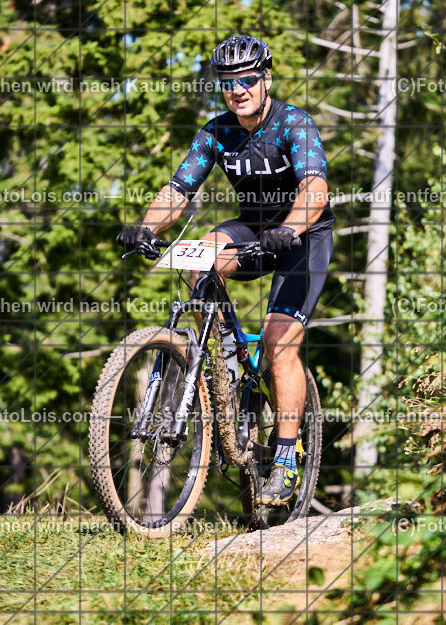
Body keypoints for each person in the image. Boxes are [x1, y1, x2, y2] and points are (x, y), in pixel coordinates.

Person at [117, 35, 334, 506]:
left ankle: (284, 456)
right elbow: (178, 188)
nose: (239, 89)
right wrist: (146, 226)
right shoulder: (216, 131)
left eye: (248, 79)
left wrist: (291, 228)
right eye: (228, 83)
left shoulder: (294, 124)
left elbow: (314, 190)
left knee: (279, 344)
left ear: (266, 78)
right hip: (253, 228)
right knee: (196, 257)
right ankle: (223, 365)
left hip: (302, 237)